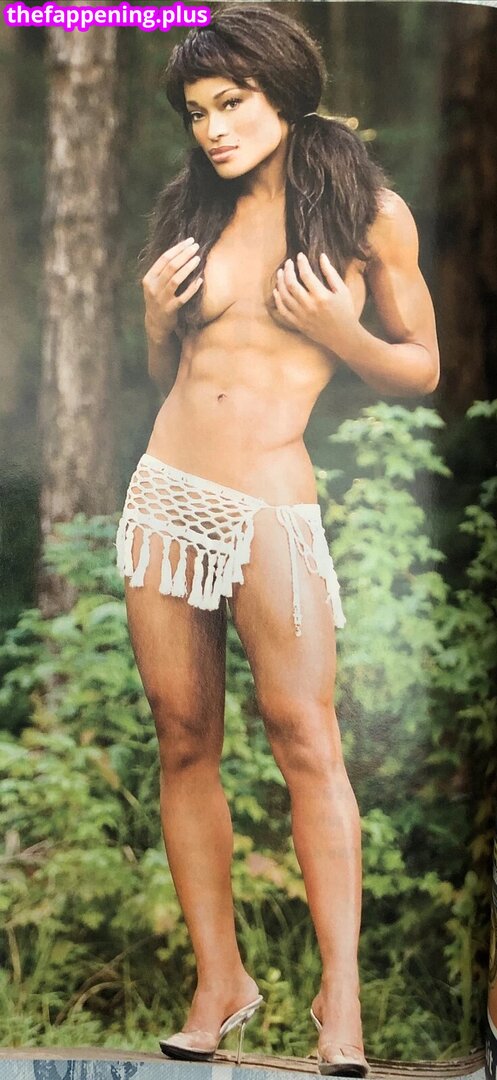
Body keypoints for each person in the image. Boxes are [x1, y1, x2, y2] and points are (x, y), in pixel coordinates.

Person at [115, 4, 440, 1076]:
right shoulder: (192, 211)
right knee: (181, 740)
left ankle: (338, 1000)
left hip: (268, 507)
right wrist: (155, 319)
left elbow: (421, 366)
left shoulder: (367, 215)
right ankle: (220, 983)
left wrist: (341, 334)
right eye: (196, 111)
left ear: (284, 93)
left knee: (306, 737)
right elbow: (171, 377)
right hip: (166, 495)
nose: (212, 128)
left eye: (232, 102)